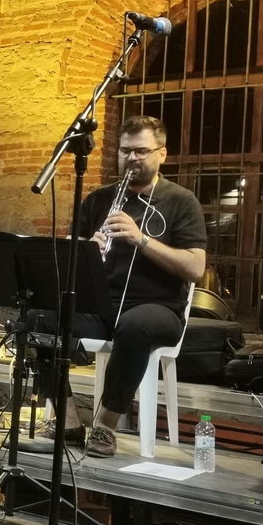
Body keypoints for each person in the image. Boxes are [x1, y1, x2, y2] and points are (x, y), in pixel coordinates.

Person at [39, 115, 206, 457]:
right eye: (125, 151)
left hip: (157, 307)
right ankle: (68, 421)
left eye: (141, 151)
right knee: (39, 319)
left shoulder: (181, 201)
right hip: (101, 305)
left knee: (135, 326)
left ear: (162, 154)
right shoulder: (99, 199)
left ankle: (105, 425)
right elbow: (68, 255)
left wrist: (140, 239)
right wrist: (85, 250)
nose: (132, 158)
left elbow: (195, 268)